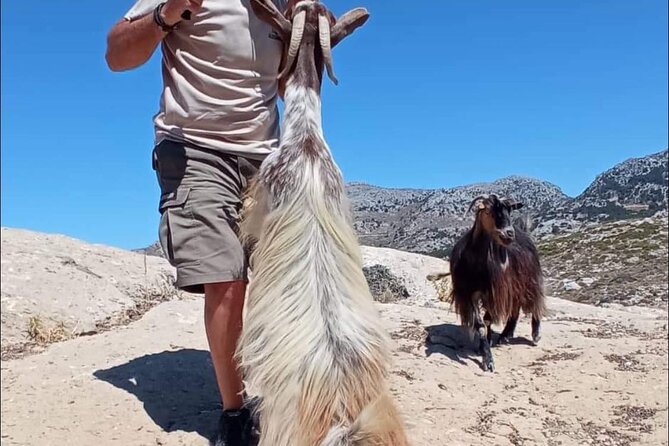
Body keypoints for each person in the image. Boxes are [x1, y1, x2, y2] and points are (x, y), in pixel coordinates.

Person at [106, 1, 285, 444]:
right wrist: (167, 14)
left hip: (267, 158)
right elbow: (116, 55)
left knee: (288, 278)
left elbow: (289, 83)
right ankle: (235, 413)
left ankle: (295, 389)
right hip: (195, 149)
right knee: (226, 277)